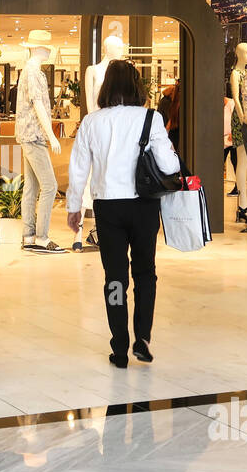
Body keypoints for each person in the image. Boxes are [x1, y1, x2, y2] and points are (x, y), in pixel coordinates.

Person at [66, 60, 180, 368]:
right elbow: (169, 167)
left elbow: (78, 168)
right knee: (145, 272)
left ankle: (119, 347)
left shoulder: (92, 122)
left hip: (108, 207)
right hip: (143, 205)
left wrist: (74, 207)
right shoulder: (150, 118)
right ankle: (142, 337)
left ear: (106, 88)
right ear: (136, 86)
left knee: (114, 278)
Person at [16, 30, 67, 254]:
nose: (48, 50)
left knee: (32, 187)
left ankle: (29, 236)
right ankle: (41, 237)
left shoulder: (30, 70)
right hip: (34, 136)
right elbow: (37, 105)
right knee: (50, 186)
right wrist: (52, 135)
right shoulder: (33, 71)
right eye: (46, 47)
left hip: (29, 136)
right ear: (39, 48)